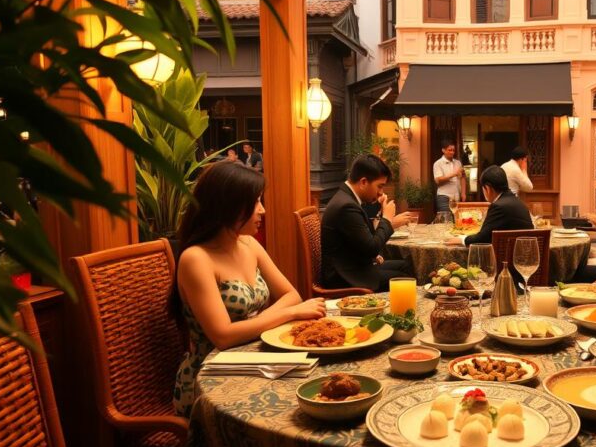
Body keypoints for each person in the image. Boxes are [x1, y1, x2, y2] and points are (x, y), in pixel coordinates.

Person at [173, 162, 327, 417]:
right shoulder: (196, 258)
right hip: (211, 380)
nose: (263, 210)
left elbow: (292, 295)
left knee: (315, 390)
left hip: (251, 359)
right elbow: (222, 336)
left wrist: (268, 318)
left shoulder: (247, 244)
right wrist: (290, 314)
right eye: (255, 202)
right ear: (228, 205)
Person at [322, 154, 415, 291]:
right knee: (404, 279)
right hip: (345, 277)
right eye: (380, 186)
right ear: (364, 182)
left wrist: (383, 214)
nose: (381, 192)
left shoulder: (347, 198)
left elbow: (364, 238)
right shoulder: (346, 206)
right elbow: (372, 248)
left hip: (354, 266)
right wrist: (387, 218)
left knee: (406, 265)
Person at [445, 165, 532, 246]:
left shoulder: (498, 206)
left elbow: (482, 238)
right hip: (524, 253)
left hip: (508, 258)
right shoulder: (517, 201)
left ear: (487, 188)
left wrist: (462, 240)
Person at [433, 139, 465, 220]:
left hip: (456, 197)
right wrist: (454, 174)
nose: (452, 152)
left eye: (453, 150)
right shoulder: (438, 163)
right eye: (449, 150)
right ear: (443, 150)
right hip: (444, 196)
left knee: (457, 221)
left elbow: (463, 178)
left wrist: (463, 193)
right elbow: (438, 180)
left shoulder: (458, 163)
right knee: (446, 222)